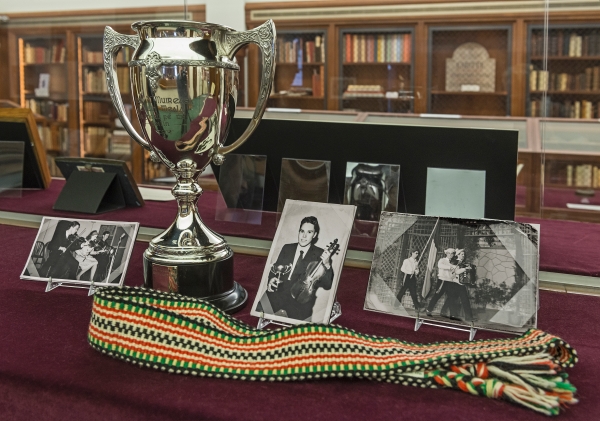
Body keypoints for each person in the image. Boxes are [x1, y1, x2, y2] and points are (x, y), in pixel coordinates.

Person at [258, 216, 333, 321]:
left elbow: (327, 285)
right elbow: (275, 268)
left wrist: (327, 264)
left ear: (314, 235)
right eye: (302, 231)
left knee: (297, 333)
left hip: (301, 299)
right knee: (257, 314)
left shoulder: (320, 254)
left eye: (309, 232)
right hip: (278, 292)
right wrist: (271, 279)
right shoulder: (287, 248)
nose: (304, 236)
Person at [443, 249, 474, 322]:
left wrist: (470, 279)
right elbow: (456, 272)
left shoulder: (463, 263)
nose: (463, 255)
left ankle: (468, 317)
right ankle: (452, 315)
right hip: (454, 284)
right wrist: (465, 269)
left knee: (465, 300)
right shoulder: (454, 262)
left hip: (461, 284)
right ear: (457, 255)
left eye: (464, 254)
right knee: (452, 300)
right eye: (462, 254)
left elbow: (464, 274)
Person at [425, 248, 455, 317]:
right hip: (442, 281)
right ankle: (429, 310)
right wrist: (450, 267)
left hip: (450, 281)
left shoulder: (453, 262)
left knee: (451, 297)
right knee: (437, 296)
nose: (450, 255)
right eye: (449, 253)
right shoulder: (442, 260)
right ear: (446, 254)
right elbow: (440, 266)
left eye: (452, 254)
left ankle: (448, 313)